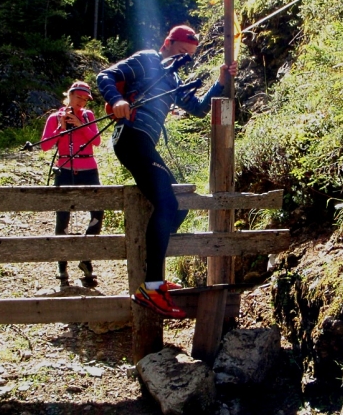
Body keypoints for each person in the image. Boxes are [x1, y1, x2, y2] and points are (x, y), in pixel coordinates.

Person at [97, 25, 238, 318]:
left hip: (144, 142)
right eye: (180, 51)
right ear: (167, 43)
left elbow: (198, 108)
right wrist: (117, 100)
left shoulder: (172, 78)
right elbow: (105, 76)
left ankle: (154, 279)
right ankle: (151, 286)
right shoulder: (148, 59)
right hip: (132, 136)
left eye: (189, 55)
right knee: (169, 202)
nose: (184, 58)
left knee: (178, 207)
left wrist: (221, 81)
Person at [40, 81, 104, 288]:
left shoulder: (88, 116)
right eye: (78, 97)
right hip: (65, 169)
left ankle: (85, 258)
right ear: (69, 96)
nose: (81, 102)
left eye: (85, 99)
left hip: (89, 168)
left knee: (97, 212)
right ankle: (62, 265)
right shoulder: (53, 117)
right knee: (63, 217)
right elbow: (45, 146)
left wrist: (79, 124)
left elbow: (96, 141)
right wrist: (61, 127)